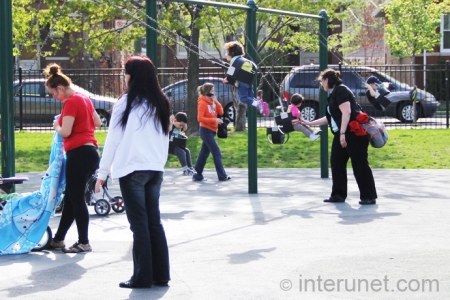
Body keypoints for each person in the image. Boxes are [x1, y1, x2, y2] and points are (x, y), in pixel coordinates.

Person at [95, 55, 171, 288]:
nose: (124, 76)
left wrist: (102, 173)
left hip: (132, 169)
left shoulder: (126, 102)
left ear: (133, 75)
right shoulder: (161, 102)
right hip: (155, 168)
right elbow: (165, 137)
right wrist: (160, 162)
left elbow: (113, 139)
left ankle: (142, 277)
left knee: (139, 224)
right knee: (153, 222)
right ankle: (161, 274)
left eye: (126, 72)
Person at [43, 63, 101, 253]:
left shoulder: (71, 102)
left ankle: (84, 242)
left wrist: (56, 125)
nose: (55, 98)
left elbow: (65, 131)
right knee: (71, 197)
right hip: (92, 152)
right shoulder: (84, 98)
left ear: (60, 88)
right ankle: (59, 239)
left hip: (78, 154)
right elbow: (98, 122)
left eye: (53, 94)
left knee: (76, 199)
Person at [302, 68, 377, 205]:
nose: (321, 85)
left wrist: (342, 133)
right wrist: (309, 123)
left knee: (359, 164)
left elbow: (347, 112)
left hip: (353, 133)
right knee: (337, 163)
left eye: (322, 82)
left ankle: (369, 196)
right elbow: (330, 117)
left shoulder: (341, 90)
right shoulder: (334, 94)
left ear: (327, 80)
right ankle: (338, 194)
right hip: (342, 133)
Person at [192, 83, 232, 182]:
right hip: (205, 131)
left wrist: (216, 102)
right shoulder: (202, 103)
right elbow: (200, 118)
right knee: (217, 152)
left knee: (203, 154)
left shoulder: (212, 102)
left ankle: (197, 175)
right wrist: (214, 120)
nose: (214, 93)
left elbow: (221, 112)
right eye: (212, 91)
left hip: (212, 131)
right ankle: (222, 176)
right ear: (207, 92)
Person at [222, 41, 270, 117]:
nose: (225, 54)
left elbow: (231, 73)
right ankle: (261, 105)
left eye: (227, 52)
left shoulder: (234, 60)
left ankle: (258, 104)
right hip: (248, 81)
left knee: (243, 98)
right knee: (250, 98)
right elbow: (239, 72)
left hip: (243, 82)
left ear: (232, 53)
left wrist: (227, 79)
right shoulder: (242, 60)